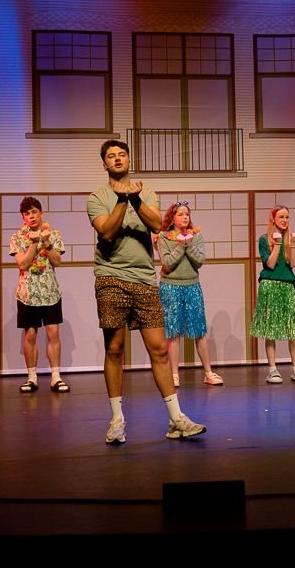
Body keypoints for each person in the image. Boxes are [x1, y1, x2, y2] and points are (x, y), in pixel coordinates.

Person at [86, 140, 206, 443]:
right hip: (111, 277)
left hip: (144, 279)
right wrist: (121, 200)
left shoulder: (147, 193)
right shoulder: (97, 197)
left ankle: (176, 420)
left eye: (121, 155)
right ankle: (117, 420)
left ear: (129, 159)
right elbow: (107, 231)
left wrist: (135, 198)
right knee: (114, 349)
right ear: (104, 164)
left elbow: (156, 225)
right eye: (111, 156)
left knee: (159, 349)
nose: (117, 159)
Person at [156, 201, 224, 387]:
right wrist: (180, 246)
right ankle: (174, 375)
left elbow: (199, 261)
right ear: (172, 218)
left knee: (199, 330)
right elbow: (167, 263)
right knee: (173, 332)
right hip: (170, 287)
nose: (185, 217)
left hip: (192, 286)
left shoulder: (196, 235)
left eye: (187, 214)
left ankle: (208, 373)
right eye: (180, 214)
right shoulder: (164, 237)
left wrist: (188, 244)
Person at [9, 196, 69, 393]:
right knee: (31, 334)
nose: (31, 216)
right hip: (27, 293)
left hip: (50, 291)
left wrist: (46, 241)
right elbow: (23, 264)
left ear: (41, 213)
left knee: (53, 332)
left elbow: (57, 261)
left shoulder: (53, 234)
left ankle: (56, 377)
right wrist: (34, 243)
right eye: (27, 213)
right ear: (23, 217)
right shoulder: (17, 237)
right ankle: (32, 378)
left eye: (34, 212)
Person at [250, 206, 295, 383]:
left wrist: (293, 243)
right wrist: (277, 244)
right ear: (273, 219)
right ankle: (273, 369)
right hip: (269, 285)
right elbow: (270, 264)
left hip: (287, 286)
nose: (285, 220)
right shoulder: (264, 239)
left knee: (293, 328)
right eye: (281, 217)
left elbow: (292, 263)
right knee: (270, 328)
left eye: (287, 217)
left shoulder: (292, 239)